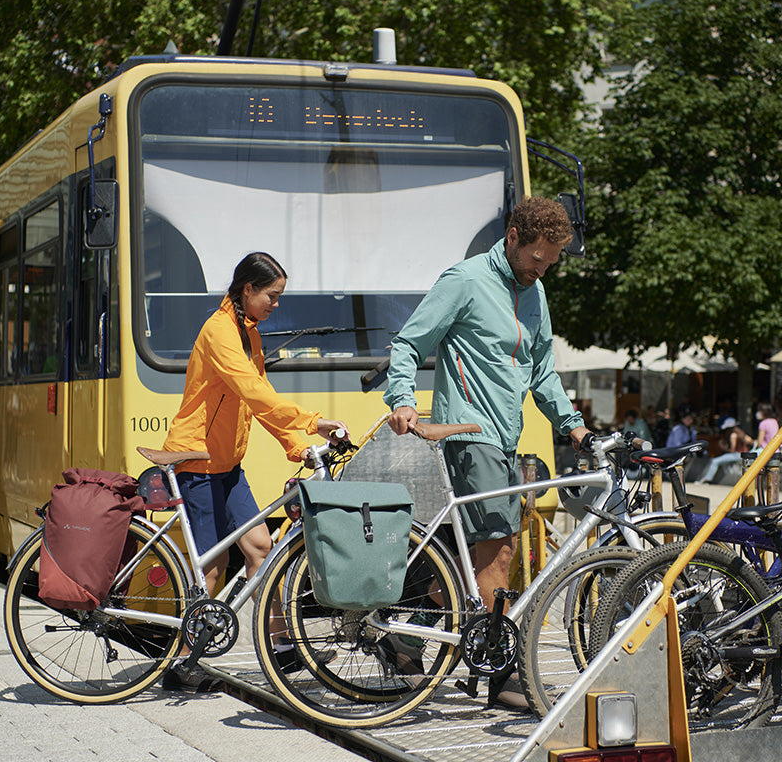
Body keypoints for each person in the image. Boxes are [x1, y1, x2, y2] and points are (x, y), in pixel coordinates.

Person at [383, 195, 589, 709]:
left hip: (505, 436)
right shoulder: (467, 280)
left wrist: (574, 426)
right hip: (469, 434)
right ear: (514, 237)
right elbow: (409, 343)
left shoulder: (535, 293)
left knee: (463, 559)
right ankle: (499, 670)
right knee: (501, 548)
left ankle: (402, 638)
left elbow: (542, 369)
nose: (543, 268)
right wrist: (403, 401)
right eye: (538, 257)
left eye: (553, 260)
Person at [161, 252, 348, 692]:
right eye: (272, 296)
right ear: (248, 289)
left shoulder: (249, 336)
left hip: (226, 463)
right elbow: (251, 390)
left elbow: (259, 400)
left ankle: (281, 648)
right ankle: (185, 663)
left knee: (262, 547)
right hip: (197, 462)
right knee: (212, 566)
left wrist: (298, 447)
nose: (276, 305)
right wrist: (311, 420)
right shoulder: (219, 332)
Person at [694, 417, 753, 483]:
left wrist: (724, 448)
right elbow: (751, 441)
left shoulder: (733, 435)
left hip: (737, 455)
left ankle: (707, 479)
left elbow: (732, 450)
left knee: (715, 461)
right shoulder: (743, 434)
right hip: (744, 454)